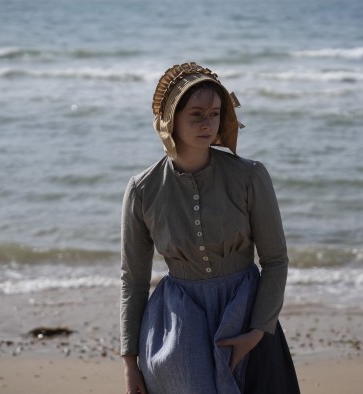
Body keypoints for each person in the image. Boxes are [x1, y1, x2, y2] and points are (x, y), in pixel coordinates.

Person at [120, 62, 299, 394]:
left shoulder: (250, 176)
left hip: (246, 312)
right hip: (177, 322)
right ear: (172, 117)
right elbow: (133, 279)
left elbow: (275, 260)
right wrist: (130, 362)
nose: (208, 123)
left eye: (215, 113)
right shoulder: (142, 189)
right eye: (196, 114)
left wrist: (258, 330)